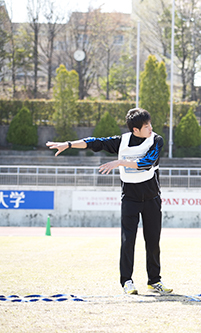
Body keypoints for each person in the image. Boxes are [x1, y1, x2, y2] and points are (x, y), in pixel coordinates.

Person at [46, 108, 172, 295]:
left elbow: (147, 162)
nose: (151, 128)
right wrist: (69, 144)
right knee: (128, 240)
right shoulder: (122, 142)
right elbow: (94, 142)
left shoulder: (156, 140)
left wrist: (119, 163)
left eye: (150, 124)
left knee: (153, 241)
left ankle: (154, 281)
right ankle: (127, 281)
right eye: (146, 126)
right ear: (135, 130)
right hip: (130, 198)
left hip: (152, 198)